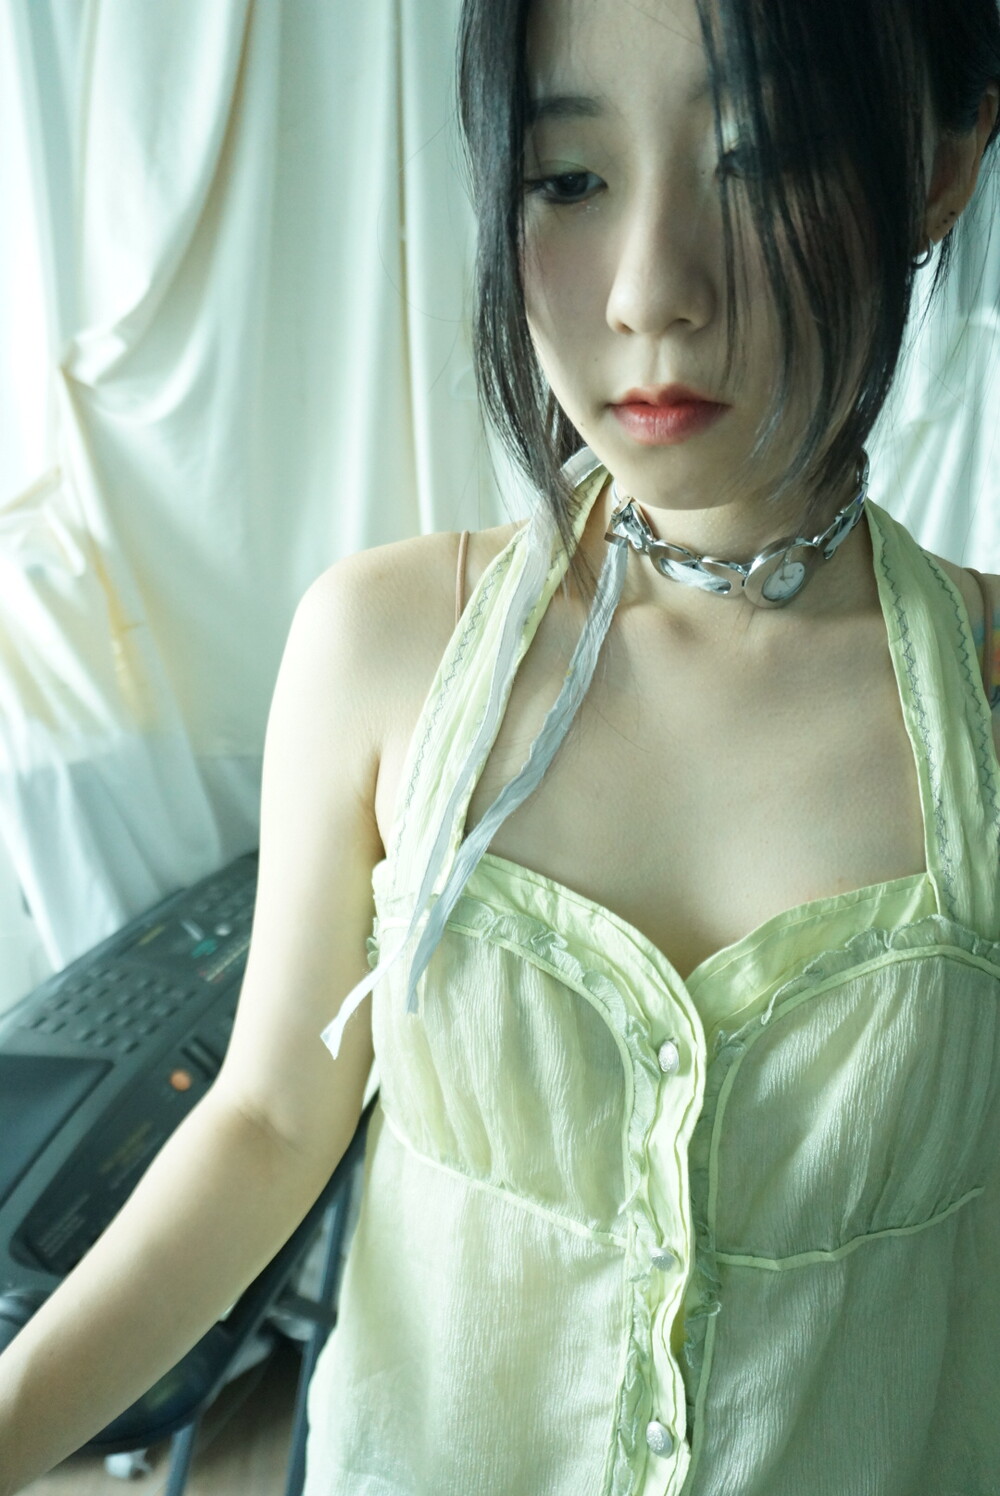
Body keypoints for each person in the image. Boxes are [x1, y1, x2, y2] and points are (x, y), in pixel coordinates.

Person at [1, 0, 999, 1493]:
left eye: (763, 159)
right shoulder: (386, 646)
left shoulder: (983, 699)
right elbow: (269, 1119)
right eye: (568, 179)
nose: (652, 293)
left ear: (939, 165)